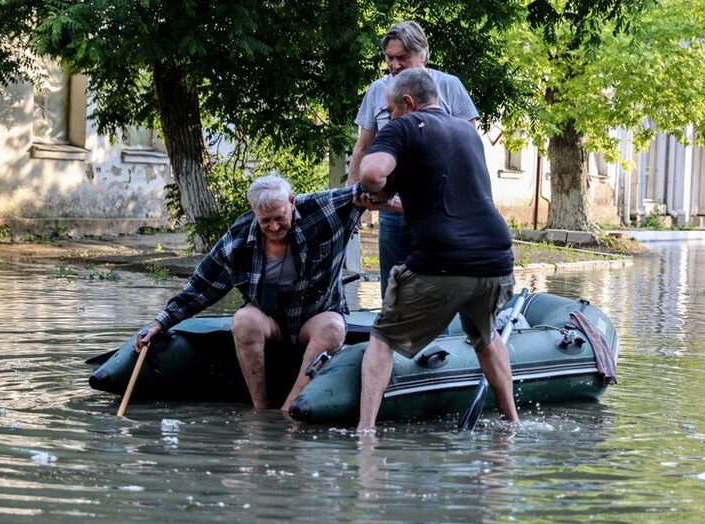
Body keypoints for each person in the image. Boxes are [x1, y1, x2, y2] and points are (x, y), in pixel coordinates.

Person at [355, 68, 519, 433]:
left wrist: (372, 185)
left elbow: (372, 173)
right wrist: (391, 201)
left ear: (408, 103)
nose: (391, 116)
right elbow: (448, 196)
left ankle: (365, 434)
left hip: (441, 263)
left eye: (392, 109)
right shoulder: (466, 132)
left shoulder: (404, 126)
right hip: (496, 261)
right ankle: (512, 423)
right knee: (484, 337)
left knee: (382, 338)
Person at [135, 174, 364, 411]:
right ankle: (260, 410)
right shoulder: (238, 239)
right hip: (269, 319)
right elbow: (201, 287)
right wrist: (160, 323)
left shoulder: (322, 208)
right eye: (266, 221)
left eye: (279, 218)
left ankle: (289, 411)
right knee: (243, 320)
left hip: (315, 315)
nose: (274, 227)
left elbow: (369, 188)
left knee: (333, 328)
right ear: (254, 212)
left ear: (292, 202)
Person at [347, 20, 479, 297]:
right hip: (393, 209)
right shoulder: (377, 90)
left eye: (402, 58)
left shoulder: (449, 86)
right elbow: (363, 147)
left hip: (439, 210)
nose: (394, 65)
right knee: (394, 289)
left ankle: (439, 338)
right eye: (389, 58)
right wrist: (352, 199)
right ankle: (392, 336)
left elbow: (468, 147)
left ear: (423, 55)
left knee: (438, 289)